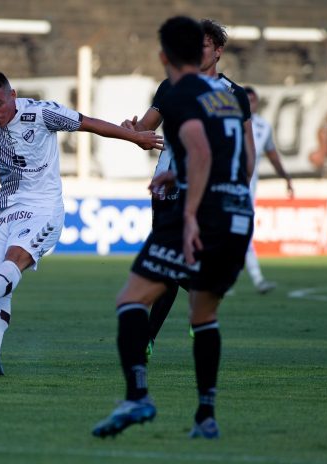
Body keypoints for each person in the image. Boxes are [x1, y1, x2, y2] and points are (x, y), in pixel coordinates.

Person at [0, 71, 163, 378]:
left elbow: (88, 123)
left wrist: (134, 137)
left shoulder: (40, 113)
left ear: (12, 96)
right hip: (6, 211)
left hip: (43, 208)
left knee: (12, 262)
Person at [92, 15, 253, 439]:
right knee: (203, 311)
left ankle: (138, 396)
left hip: (194, 211)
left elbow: (197, 152)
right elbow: (245, 158)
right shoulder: (232, 98)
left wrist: (189, 207)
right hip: (236, 213)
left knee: (132, 296)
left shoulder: (183, 92)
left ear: (164, 56)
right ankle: (206, 416)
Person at [121, 18, 255, 357]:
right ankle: (191, 314)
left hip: (211, 191)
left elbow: (247, 149)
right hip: (167, 186)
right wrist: (132, 130)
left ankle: (156, 335)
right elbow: (146, 131)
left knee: (171, 260)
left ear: (219, 52)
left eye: (205, 45)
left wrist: (237, 182)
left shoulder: (233, 95)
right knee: (169, 259)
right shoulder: (171, 87)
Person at [244, 86, 294, 294]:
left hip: (247, 191)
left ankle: (252, 279)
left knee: (242, 233)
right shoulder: (224, 121)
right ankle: (256, 278)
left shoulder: (263, 127)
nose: (249, 105)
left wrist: (286, 178)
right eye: (245, 101)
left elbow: (273, 155)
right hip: (221, 187)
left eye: (252, 101)